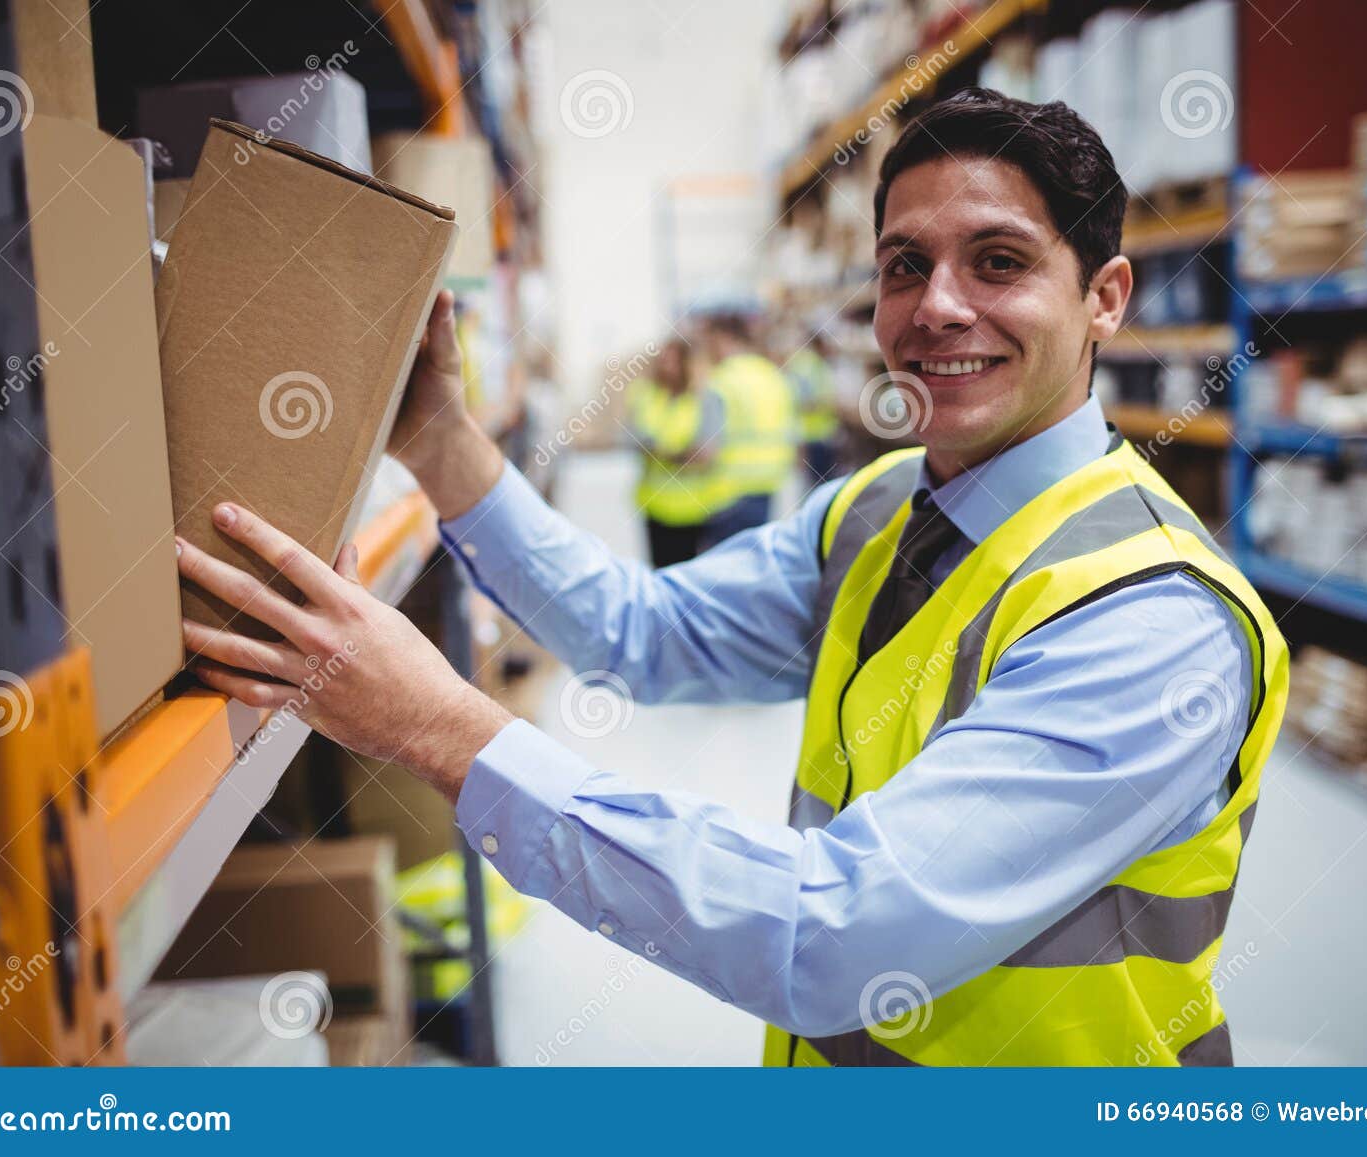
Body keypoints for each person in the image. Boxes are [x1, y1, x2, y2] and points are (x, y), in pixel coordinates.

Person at [176, 89, 1288, 1067]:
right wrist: (443, 442)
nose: (938, 305)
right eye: (906, 265)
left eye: (998, 262)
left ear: (1105, 297)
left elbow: (831, 937)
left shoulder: (1150, 619)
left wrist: (440, 729)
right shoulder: (880, 508)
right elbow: (640, 632)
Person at [693, 312, 796, 547]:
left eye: (708, 341)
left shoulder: (721, 380)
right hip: (768, 485)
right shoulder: (771, 374)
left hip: (728, 492)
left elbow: (707, 451)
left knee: (723, 572)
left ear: (721, 338)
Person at [626, 339, 724, 567]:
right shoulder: (646, 396)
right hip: (655, 507)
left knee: (691, 577)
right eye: (663, 361)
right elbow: (634, 440)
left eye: (674, 361)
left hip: (693, 510)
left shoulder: (704, 399)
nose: (667, 367)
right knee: (660, 575)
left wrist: (665, 454)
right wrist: (678, 454)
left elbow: (707, 454)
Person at [782, 332, 840, 487]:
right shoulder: (807, 366)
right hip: (812, 436)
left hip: (820, 434)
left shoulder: (814, 364)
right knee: (819, 484)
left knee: (820, 482)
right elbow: (801, 402)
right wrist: (826, 403)